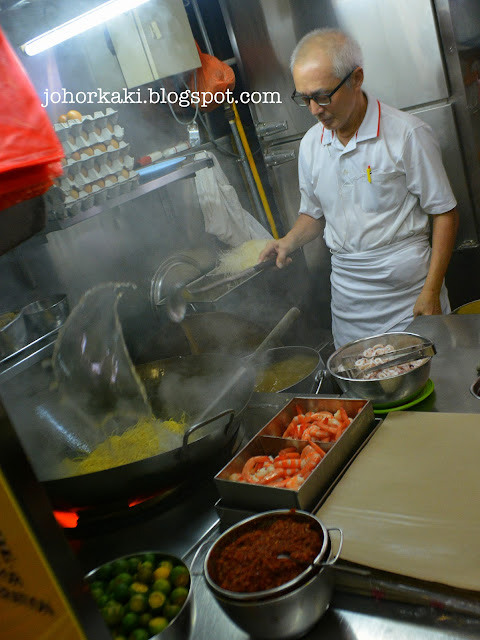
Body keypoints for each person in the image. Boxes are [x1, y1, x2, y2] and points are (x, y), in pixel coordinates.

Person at [259, 28, 459, 348]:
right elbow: (313, 213)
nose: (314, 109)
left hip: (410, 301)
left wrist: (431, 292)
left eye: (323, 96)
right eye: (305, 98)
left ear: (356, 78)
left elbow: (445, 213)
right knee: (363, 393)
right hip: (350, 308)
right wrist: (288, 242)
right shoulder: (312, 144)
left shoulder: (407, 135)